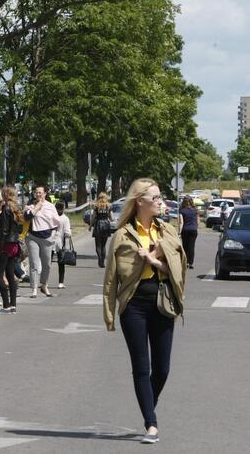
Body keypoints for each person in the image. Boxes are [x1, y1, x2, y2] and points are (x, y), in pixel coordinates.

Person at [103, 178, 186, 444]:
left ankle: (148, 402)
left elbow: (179, 269)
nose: (161, 202)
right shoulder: (122, 235)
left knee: (162, 369)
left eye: (160, 197)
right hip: (134, 305)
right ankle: (151, 423)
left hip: (162, 301)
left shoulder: (168, 231)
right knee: (141, 368)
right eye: (156, 198)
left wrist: (153, 259)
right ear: (140, 202)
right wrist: (109, 313)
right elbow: (111, 278)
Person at [24, 185, 60, 298]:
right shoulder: (30, 205)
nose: (38, 194)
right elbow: (26, 217)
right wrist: (37, 207)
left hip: (46, 238)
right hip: (32, 237)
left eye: (40, 192)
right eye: (36, 192)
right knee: (34, 263)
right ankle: (34, 288)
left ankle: (44, 285)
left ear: (45, 194)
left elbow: (57, 222)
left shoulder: (50, 206)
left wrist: (53, 235)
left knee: (47, 264)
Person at [0, 186, 23, 314]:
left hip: (6, 245)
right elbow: (20, 228)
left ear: (5, 195)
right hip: (14, 244)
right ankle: (13, 304)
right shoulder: (16, 208)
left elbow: (3, 230)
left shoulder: (6, 209)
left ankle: (6, 305)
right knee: (10, 274)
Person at [90, 192, 113, 268]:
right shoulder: (108, 206)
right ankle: (102, 261)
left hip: (98, 224)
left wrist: (90, 226)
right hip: (106, 224)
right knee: (104, 245)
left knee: (98, 245)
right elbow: (111, 218)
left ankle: (99, 258)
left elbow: (93, 217)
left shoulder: (96, 206)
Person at [53, 201, 72, 289]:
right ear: (63, 208)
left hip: (50, 242)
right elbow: (67, 233)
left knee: (46, 263)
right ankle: (60, 282)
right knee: (61, 264)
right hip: (60, 243)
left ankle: (43, 282)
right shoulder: (65, 218)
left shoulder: (51, 216)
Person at [178, 196, 199, 269]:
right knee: (191, 247)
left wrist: (179, 232)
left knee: (185, 247)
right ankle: (191, 263)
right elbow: (198, 221)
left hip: (185, 230)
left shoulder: (182, 211)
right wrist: (195, 227)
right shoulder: (195, 210)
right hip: (193, 230)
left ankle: (186, 262)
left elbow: (181, 222)